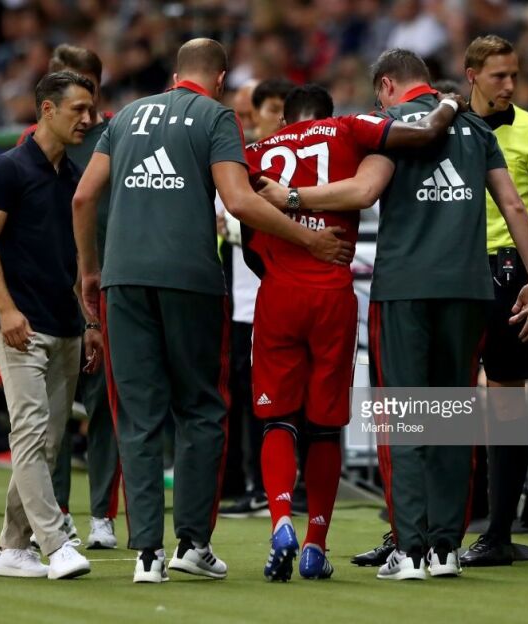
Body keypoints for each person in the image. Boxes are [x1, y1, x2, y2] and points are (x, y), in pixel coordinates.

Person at [71, 38, 352, 584]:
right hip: (190, 281)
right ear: (220, 79)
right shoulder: (216, 117)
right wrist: (310, 240)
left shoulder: (124, 116)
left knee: (138, 415)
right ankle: (192, 544)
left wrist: (89, 269)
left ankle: (147, 555)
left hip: (123, 280)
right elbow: (241, 200)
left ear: (177, 73)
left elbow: (83, 197)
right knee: (200, 408)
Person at [259, 48, 528, 581]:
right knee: (452, 417)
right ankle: (445, 550)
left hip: (405, 289)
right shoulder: (475, 127)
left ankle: (411, 550)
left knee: (406, 416)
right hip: (468, 289)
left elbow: (364, 191)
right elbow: (513, 205)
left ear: (386, 86)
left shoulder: (389, 126)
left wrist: (291, 196)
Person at [245, 83, 464, 581]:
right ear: (329, 113)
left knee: (277, 418)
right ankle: (316, 545)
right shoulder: (349, 130)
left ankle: (281, 520)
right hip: (332, 296)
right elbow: (414, 138)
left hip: (278, 294)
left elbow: (249, 237)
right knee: (325, 425)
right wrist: (450, 102)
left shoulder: (258, 151)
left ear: (285, 119)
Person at [0, 71, 95, 580]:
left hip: (65, 323)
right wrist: (5, 310)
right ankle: (56, 542)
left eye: (91, 109)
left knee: (47, 443)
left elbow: (74, 259)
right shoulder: (8, 168)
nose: (88, 119)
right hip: (19, 324)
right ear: (47, 109)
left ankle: (11, 548)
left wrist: (89, 320)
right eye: (78, 109)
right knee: (29, 432)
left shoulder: (73, 177)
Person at [458, 34, 528, 568]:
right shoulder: (444, 127)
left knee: (505, 401)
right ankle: (421, 528)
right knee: (440, 400)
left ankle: (498, 534)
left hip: (509, 275)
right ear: (472, 75)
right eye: (499, 75)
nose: (509, 85)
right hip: (451, 270)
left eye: (514, 75)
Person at [17, 44, 121, 551]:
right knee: (49, 413)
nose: (80, 108)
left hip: (104, 285)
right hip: (53, 289)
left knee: (103, 405)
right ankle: (56, 513)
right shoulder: (30, 147)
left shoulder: (119, 135)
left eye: (85, 91)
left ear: (96, 88)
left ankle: (102, 514)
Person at [218, 78, 294, 519]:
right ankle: (254, 484)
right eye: (268, 110)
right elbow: (225, 220)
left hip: (285, 294)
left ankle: (277, 487)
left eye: (282, 109)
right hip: (246, 300)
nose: (276, 118)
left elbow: (231, 221)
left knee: (285, 395)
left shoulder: (297, 158)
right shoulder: (240, 160)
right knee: (248, 396)